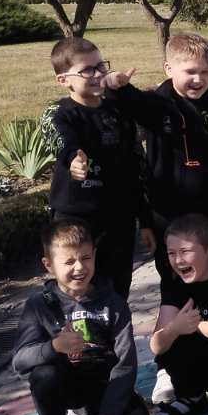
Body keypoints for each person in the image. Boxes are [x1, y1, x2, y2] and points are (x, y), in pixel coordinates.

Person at [12, 219, 151, 415]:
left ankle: (92, 413)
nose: (79, 267)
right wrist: (54, 346)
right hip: (65, 383)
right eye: (69, 262)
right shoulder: (39, 305)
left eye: (86, 258)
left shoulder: (113, 302)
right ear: (48, 265)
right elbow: (20, 361)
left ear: (95, 255)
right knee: (43, 376)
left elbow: (125, 363)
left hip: (101, 383)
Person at [114, 32, 208, 293]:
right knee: (177, 281)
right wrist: (117, 86)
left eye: (205, 72)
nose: (198, 79)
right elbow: (132, 103)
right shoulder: (157, 104)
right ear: (168, 69)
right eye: (190, 72)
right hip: (170, 215)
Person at [48, 37, 144, 298]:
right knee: (77, 289)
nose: (98, 74)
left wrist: (144, 218)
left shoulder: (117, 110)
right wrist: (73, 159)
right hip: (76, 216)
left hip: (119, 217)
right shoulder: (61, 113)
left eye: (101, 66)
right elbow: (60, 138)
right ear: (63, 80)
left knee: (117, 288)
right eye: (87, 70)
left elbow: (135, 161)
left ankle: (116, 325)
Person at [146, 213, 208, 415]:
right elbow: (156, 345)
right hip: (201, 363)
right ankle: (192, 398)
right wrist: (175, 328)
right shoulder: (173, 282)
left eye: (185, 251)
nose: (178, 260)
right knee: (171, 337)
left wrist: (195, 325)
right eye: (171, 253)